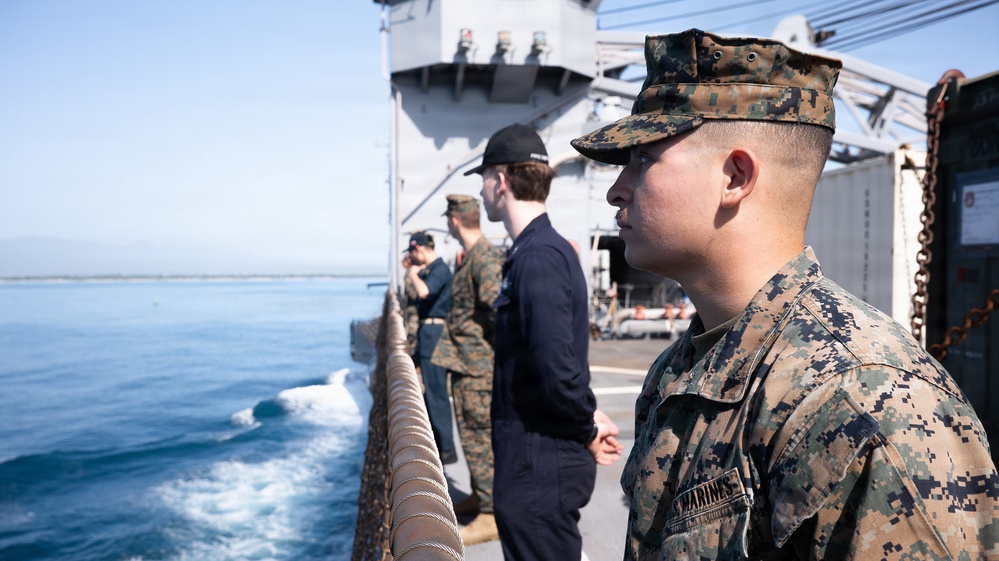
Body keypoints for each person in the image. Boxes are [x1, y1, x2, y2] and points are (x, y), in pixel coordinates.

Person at [570, 29, 999, 559]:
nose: (617, 189)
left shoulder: (863, 403)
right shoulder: (681, 368)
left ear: (735, 176)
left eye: (644, 159)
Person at [467, 123, 625, 561]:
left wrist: (587, 427)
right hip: (537, 459)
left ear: (500, 181)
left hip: (538, 466)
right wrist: (588, 418)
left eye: (483, 181)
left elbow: (557, 368)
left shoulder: (537, 257)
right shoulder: (542, 250)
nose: (481, 193)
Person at [430, 194, 505, 545]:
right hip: (467, 363)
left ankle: (490, 513)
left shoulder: (483, 258)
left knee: (479, 438)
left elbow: (498, 312)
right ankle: (480, 494)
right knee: (472, 436)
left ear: (455, 220)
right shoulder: (473, 257)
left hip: (478, 368)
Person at [405, 231, 457, 464]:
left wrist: (412, 273)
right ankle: (440, 441)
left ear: (419, 249)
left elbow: (424, 291)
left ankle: (446, 447)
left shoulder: (439, 269)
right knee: (432, 392)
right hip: (428, 333)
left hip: (435, 333)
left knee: (436, 392)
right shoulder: (432, 270)